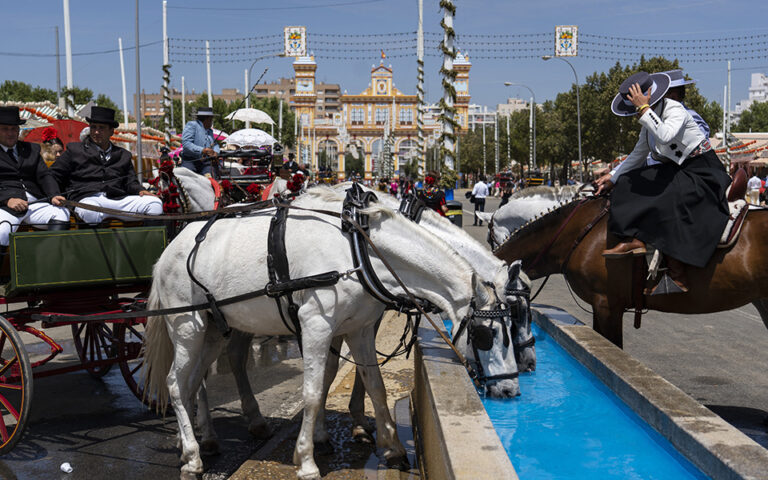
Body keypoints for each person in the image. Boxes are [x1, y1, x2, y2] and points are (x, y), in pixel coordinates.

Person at [595, 71, 730, 294]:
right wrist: (613, 177)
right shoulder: (647, 117)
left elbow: (666, 135)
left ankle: (677, 274)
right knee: (628, 182)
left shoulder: (674, 108)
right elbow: (638, 154)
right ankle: (634, 241)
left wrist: (644, 109)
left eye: (635, 104)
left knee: (666, 197)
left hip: (703, 171)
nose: (634, 112)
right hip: (679, 169)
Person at [50, 106, 163, 225]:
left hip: (117, 200)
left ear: (111, 131)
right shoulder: (75, 150)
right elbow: (52, 174)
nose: (96, 132)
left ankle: (148, 242)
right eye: (93, 127)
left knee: (154, 204)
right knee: (90, 211)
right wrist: (54, 194)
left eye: (101, 128)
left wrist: (141, 190)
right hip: (88, 200)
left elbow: (130, 182)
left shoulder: (123, 155)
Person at [0, 106, 69, 250]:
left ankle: (48, 263)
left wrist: (54, 195)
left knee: (62, 214)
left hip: (35, 203)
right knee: (2, 231)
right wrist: (7, 200)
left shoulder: (31, 149)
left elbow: (44, 175)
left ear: (19, 130)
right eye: (5, 129)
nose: (11, 133)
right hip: (5, 207)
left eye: (14, 129)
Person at [180, 107, 220, 177]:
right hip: (190, 161)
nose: (211, 122)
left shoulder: (210, 131)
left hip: (206, 163)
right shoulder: (192, 125)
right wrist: (202, 150)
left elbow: (215, 144)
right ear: (207, 119)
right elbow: (186, 143)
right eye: (211, 120)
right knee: (188, 179)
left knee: (211, 177)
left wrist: (216, 152)